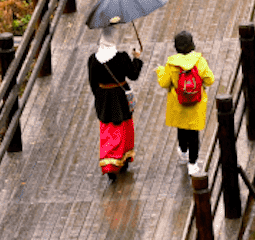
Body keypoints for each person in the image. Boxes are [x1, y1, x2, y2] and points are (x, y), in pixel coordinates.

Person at [87, 19, 143, 182]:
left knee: (108, 130)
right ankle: (123, 159)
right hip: (120, 96)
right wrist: (137, 59)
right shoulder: (121, 57)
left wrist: (100, 98)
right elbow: (133, 75)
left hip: (104, 98)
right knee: (124, 126)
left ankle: (110, 163)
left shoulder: (93, 59)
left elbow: (92, 83)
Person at [156, 30, 215, 176]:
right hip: (196, 102)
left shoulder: (171, 64)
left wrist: (160, 71)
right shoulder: (199, 61)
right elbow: (210, 80)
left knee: (181, 128)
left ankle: (183, 151)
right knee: (194, 133)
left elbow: (164, 83)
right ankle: (193, 164)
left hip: (178, 102)